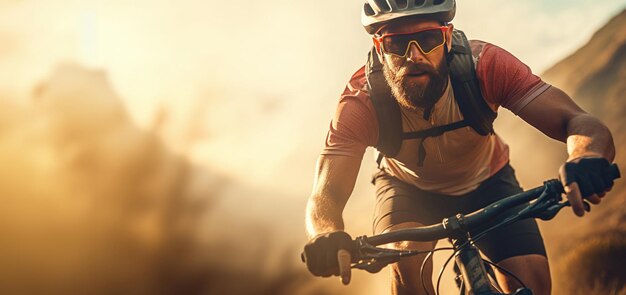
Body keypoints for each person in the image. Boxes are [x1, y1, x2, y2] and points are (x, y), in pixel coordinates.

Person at [302, 1, 617, 294]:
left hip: (488, 181)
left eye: (428, 40)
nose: (414, 56)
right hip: (407, 189)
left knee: (533, 282)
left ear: (448, 38)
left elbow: (577, 121)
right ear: (378, 48)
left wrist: (585, 156)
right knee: (407, 271)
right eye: (397, 44)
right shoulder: (362, 101)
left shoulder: (484, 66)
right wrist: (325, 233)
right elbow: (326, 193)